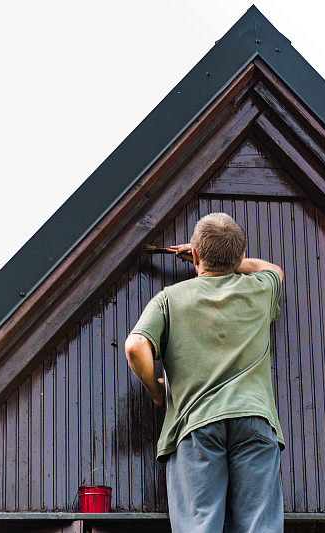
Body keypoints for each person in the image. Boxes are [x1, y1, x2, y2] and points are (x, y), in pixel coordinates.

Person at [124, 212, 285, 533]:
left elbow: (134, 346)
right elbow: (273, 269)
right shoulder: (261, 289)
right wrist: (230, 259)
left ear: (194, 256)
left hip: (196, 424)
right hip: (254, 419)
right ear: (240, 256)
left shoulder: (169, 299)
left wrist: (159, 394)